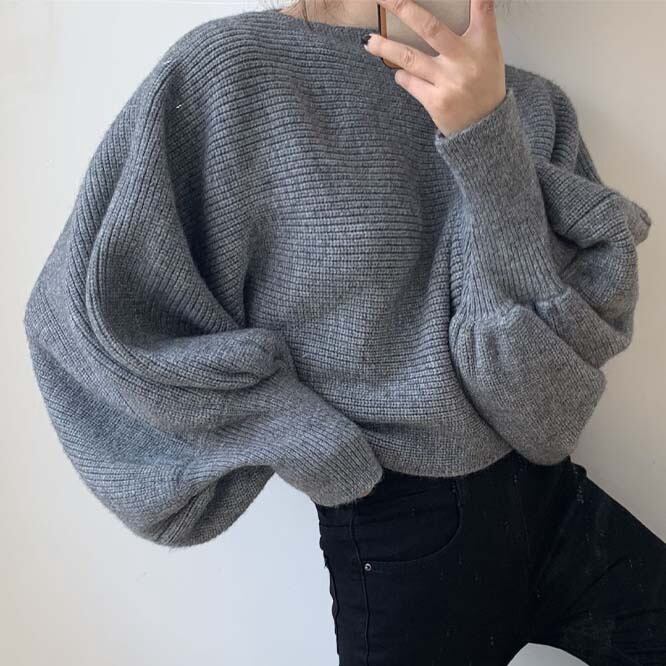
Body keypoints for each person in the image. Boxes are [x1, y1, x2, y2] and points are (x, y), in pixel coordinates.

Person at [22, 0, 664, 663]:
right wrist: (292, 433)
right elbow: (83, 324)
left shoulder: (529, 107)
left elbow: (544, 421)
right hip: (404, 540)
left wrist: (486, 139)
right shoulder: (234, 74)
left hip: (553, 507)